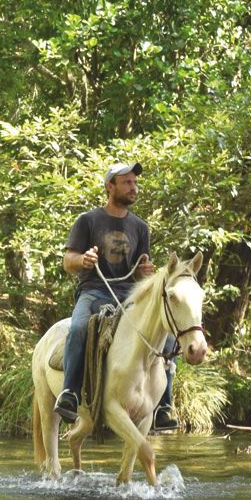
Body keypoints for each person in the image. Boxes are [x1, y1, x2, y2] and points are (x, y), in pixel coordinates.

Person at [55, 162, 174, 431]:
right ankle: (70, 394)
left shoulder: (141, 228)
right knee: (78, 327)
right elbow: (68, 261)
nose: (134, 188)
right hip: (94, 290)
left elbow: (142, 271)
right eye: (127, 183)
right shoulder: (88, 220)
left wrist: (145, 271)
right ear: (110, 187)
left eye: (135, 183)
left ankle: (164, 405)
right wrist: (82, 259)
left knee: (166, 333)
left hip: (130, 295)